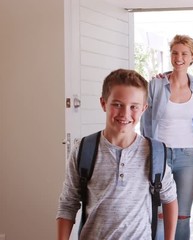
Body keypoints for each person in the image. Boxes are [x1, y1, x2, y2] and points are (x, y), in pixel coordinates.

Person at [56, 69, 178, 240]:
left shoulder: (154, 153)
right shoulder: (83, 149)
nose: (125, 113)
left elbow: (169, 198)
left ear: (144, 108)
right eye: (117, 104)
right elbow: (68, 203)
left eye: (133, 106)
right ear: (103, 103)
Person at [141, 34, 193, 240]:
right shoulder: (157, 84)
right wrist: (149, 151)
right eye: (175, 53)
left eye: (184, 54)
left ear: (192, 57)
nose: (179, 57)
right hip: (161, 154)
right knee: (161, 214)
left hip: (189, 155)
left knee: (183, 215)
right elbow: (146, 120)